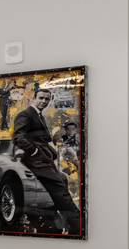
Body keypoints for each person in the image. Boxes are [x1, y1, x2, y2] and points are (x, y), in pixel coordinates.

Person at [12, 85, 81, 234]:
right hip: (36, 161)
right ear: (33, 99)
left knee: (61, 182)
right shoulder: (26, 114)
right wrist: (34, 151)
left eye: (47, 99)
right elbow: (18, 137)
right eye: (41, 98)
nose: (44, 101)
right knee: (60, 191)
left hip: (44, 159)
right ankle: (78, 225)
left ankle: (63, 225)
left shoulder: (39, 115)